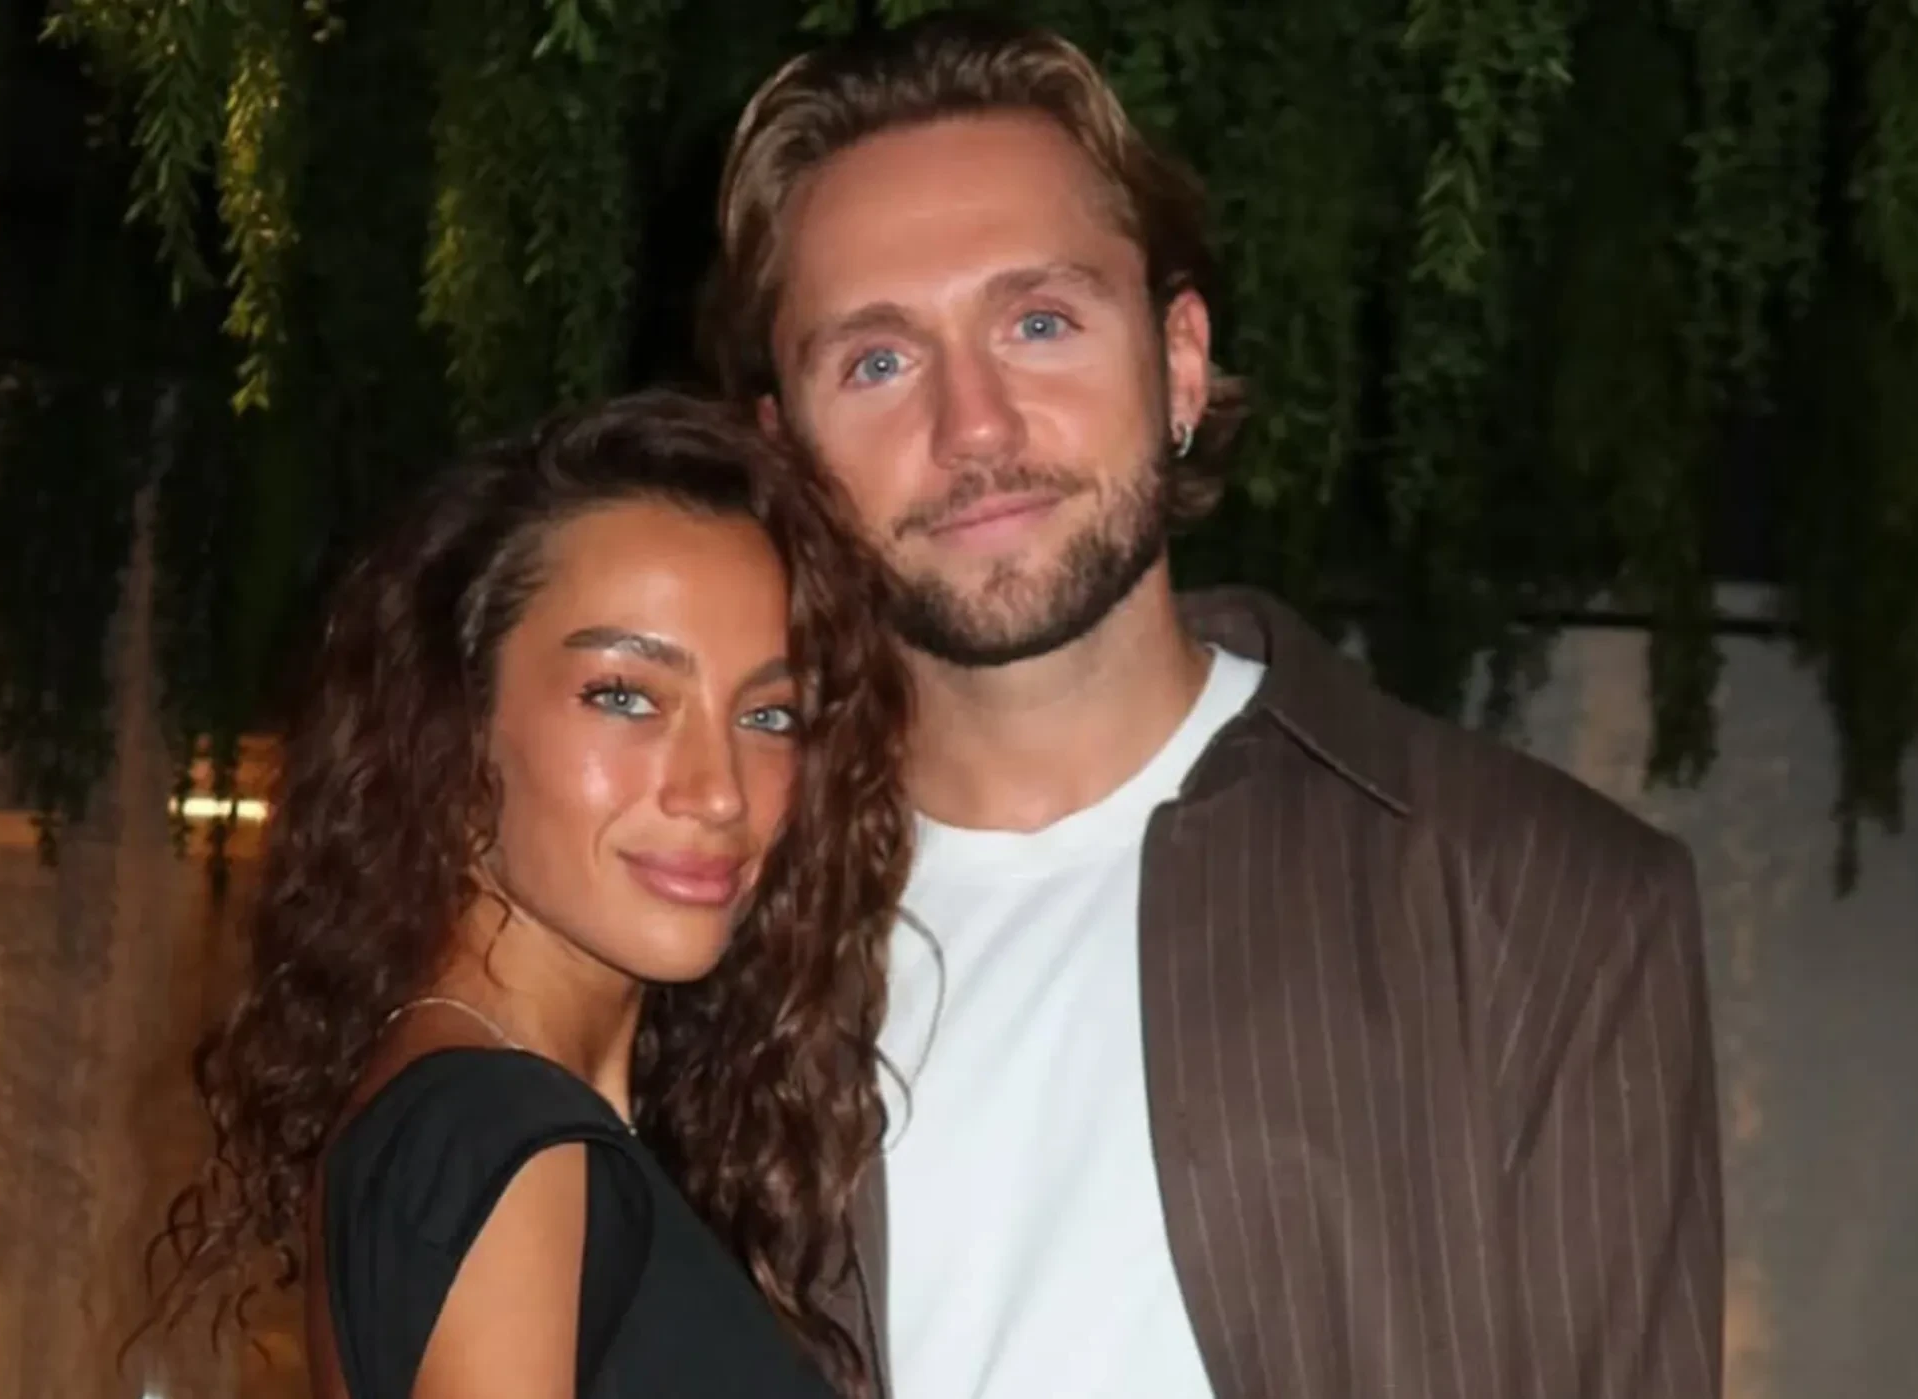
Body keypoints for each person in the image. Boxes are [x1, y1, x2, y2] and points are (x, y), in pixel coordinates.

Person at [704, 13, 1723, 1399]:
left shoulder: (1539, 896)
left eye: (1040, 322)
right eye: (877, 361)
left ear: (1178, 360)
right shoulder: (709, 935)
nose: (975, 425)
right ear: (782, 451)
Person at [147, 391, 911, 1398]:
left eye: (770, 715)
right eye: (625, 696)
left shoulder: (479, 1118)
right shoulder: (503, 1138)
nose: (719, 790)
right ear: (456, 726)